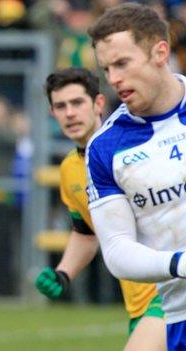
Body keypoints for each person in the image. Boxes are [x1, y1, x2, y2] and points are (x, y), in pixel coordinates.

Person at [36, 67, 166, 350]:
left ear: (98, 104)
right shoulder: (70, 169)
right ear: (52, 113)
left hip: (170, 289)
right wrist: (64, 272)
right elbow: (86, 232)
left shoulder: (132, 148)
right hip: (139, 307)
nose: (70, 113)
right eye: (61, 106)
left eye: (77, 103)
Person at [86, 3, 186, 350]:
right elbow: (115, 250)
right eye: (107, 68)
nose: (114, 79)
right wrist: (179, 263)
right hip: (180, 316)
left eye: (123, 63)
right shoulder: (105, 148)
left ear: (160, 52)